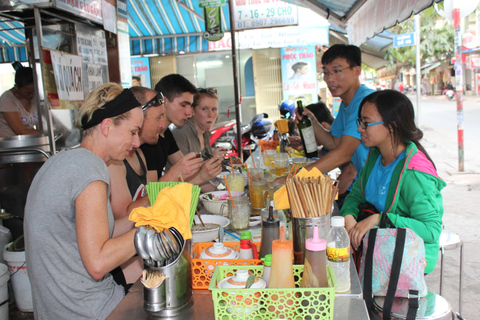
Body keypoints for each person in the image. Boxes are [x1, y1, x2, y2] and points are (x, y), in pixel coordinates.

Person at [24, 83, 143, 319]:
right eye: (132, 131)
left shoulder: (62, 160)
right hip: (89, 311)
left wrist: (148, 214)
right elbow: (98, 263)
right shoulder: (89, 169)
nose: (137, 142)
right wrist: (151, 232)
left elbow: (93, 233)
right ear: (107, 126)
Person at [341, 90, 446, 274]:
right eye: (360, 122)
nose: (360, 129)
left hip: (407, 261)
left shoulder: (414, 173)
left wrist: (380, 219)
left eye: (366, 123)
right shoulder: (375, 155)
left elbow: (431, 230)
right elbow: (357, 194)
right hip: (378, 247)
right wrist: (348, 216)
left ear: (392, 126)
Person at [107, 86, 166, 285]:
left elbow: (152, 199)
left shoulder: (140, 153)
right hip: (114, 274)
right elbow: (99, 263)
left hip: (130, 258)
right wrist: (174, 178)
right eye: (158, 118)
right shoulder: (108, 164)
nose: (163, 125)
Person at [299, 44, 375, 180]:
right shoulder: (346, 103)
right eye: (326, 73)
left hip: (381, 188)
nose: (329, 79)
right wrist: (311, 120)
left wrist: (296, 176)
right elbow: (334, 144)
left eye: (337, 71)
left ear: (356, 71)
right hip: (365, 186)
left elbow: (343, 153)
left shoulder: (365, 101)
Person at [141, 74, 222, 189]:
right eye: (183, 105)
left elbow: (188, 171)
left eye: (190, 106)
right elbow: (152, 192)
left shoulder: (167, 134)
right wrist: (201, 175)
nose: (189, 113)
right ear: (164, 102)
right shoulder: (149, 140)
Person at [172, 87, 226, 160]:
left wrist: (227, 163)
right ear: (193, 111)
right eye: (204, 109)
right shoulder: (181, 134)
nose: (210, 114)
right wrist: (212, 159)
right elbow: (185, 169)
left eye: (214, 109)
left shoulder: (205, 133)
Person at [0, 62, 40, 137]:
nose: (32, 95)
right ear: (16, 87)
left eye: (34, 91)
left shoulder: (36, 97)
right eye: (28, 92)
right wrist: (49, 132)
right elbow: (21, 131)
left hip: (28, 142)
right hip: (9, 145)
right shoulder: (7, 99)